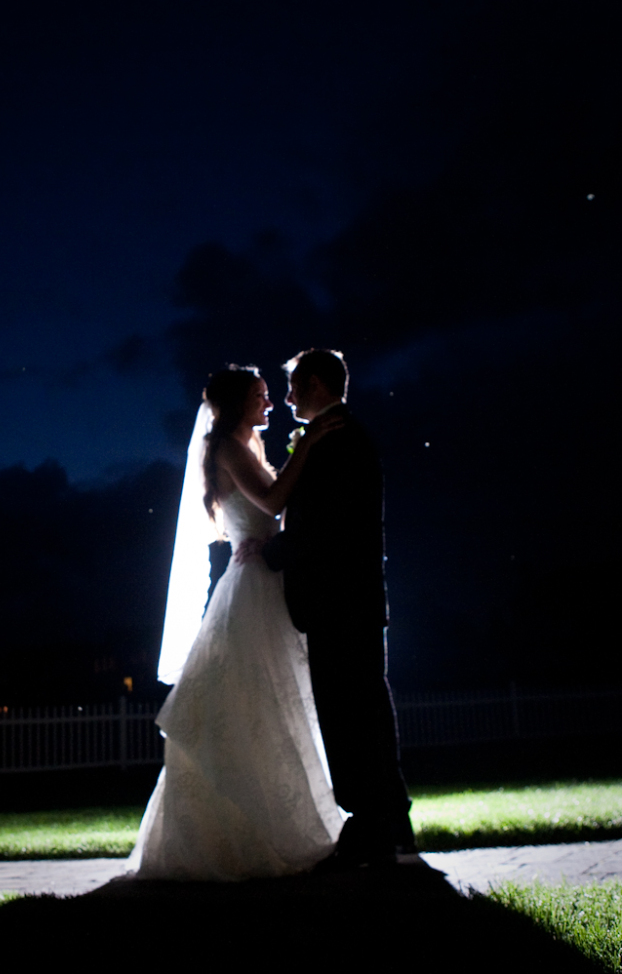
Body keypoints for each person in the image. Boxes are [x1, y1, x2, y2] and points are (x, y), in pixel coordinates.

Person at [126, 365, 344, 881]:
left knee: (272, 707)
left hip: (267, 576)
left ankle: (276, 823)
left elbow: (275, 512)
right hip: (250, 590)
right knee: (249, 703)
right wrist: (309, 445)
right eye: (260, 395)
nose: (269, 403)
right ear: (236, 402)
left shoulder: (251, 445)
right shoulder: (225, 446)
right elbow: (272, 499)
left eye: (269, 394)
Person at [263, 349, 415, 869]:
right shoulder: (333, 436)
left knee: (352, 715)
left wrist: (273, 551)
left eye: (293, 386)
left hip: (340, 600)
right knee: (360, 711)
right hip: (346, 600)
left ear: (316, 384)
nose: (287, 398)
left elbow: (328, 524)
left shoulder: (339, 440)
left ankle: (374, 825)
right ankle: (386, 823)